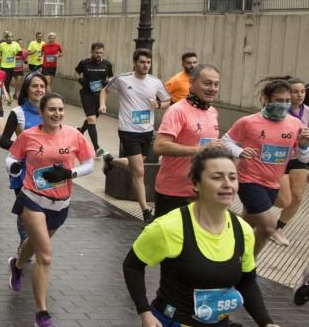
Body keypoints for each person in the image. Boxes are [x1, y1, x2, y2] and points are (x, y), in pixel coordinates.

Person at [110, 148, 293, 327]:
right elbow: (132, 265)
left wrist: (267, 324)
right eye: (217, 177)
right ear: (196, 183)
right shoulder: (169, 226)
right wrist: (145, 313)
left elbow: (247, 282)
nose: (227, 184)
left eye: (232, 177)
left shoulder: (242, 231)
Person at [5, 92, 94, 327]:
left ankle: (17, 265)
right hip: (33, 199)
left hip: (60, 204)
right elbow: (11, 157)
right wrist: (14, 167)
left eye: (61, 110)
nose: (57, 114)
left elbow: (89, 163)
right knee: (45, 256)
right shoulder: (29, 135)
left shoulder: (74, 135)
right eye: (52, 110)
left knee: (32, 247)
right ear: (42, 112)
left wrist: (70, 174)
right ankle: (41, 313)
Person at [222, 77, 309, 254]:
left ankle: (222, 244)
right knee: (268, 226)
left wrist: (303, 145)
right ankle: (248, 265)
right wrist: (239, 152)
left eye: (286, 101)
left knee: (248, 222)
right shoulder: (249, 122)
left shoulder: (295, 124)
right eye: (278, 100)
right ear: (267, 99)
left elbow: (304, 158)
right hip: (249, 180)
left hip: (273, 183)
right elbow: (225, 141)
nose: (283, 105)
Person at [101, 49, 172, 223]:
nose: (145, 65)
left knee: (136, 166)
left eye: (148, 62)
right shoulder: (123, 79)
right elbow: (105, 90)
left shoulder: (155, 82)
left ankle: (111, 161)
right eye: (142, 62)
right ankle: (146, 211)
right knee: (139, 172)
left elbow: (168, 101)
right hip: (128, 130)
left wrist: (159, 104)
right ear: (134, 62)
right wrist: (102, 104)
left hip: (146, 131)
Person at [152, 64, 222, 218]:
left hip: (201, 190)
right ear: (192, 83)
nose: (213, 88)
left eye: (216, 84)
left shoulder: (212, 112)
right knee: (168, 240)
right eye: (207, 83)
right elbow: (159, 145)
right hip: (173, 191)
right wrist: (199, 150)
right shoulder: (177, 111)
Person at [275, 78, 309, 246]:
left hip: (300, 157)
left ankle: (278, 228)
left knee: (297, 198)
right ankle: (259, 215)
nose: (300, 94)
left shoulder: (308, 112)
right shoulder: (279, 111)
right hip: (279, 157)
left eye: (302, 91)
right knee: (284, 199)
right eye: (295, 91)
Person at [74, 42, 114, 157]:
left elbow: (111, 76)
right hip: (87, 94)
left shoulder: (107, 64)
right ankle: (96, 148)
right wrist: (80, 79)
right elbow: (77, 71)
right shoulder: (84, 63)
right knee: (91, 119)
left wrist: (108, 81)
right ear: (92, 52)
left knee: (93, 118)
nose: (99, 55)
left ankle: (81, 130)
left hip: (100, 96)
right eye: (96, 52)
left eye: (101, 53)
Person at [0, 31, 22, 103]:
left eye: (11, 37)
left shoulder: (16, 44)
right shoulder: (2, 45)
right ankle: (8, 95)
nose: (10, 38)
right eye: (8, 37)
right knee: (7, 80)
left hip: (12, 65)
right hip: (4, 65)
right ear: (5, 38)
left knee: (10, 80)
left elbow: (20, 53)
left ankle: (6, 92)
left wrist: (16, 53)